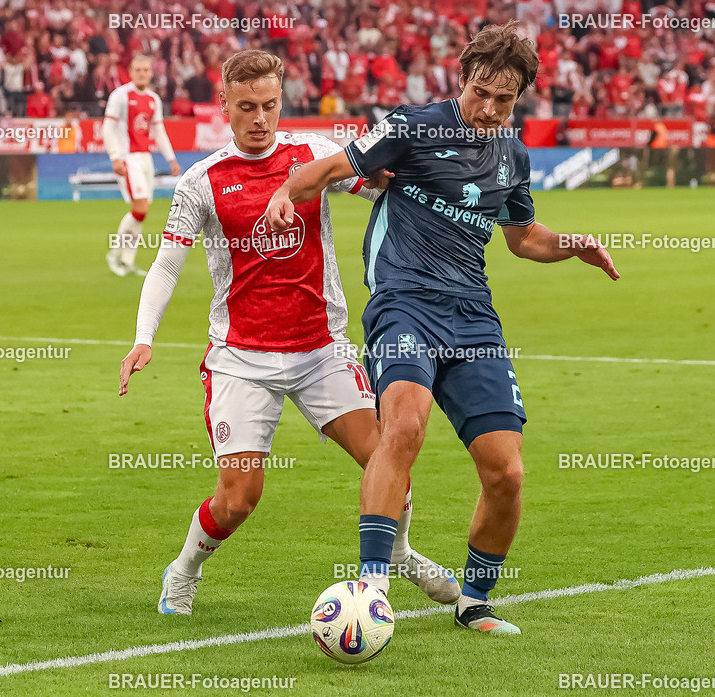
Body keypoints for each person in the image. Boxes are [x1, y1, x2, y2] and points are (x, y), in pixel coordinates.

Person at [265, 23, 619, 635]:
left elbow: (522, 238)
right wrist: (283, 195)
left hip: (472, 314)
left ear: (519, 100)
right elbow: (327, 169)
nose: (487, 109)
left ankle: (474, 600)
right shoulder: (412, 127)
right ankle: (372, 587)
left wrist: (571, 245)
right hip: (404, 302)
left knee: (506, 471)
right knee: (404, 424)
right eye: (480, 92)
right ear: (462, 80)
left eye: (502, 100)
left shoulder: (512, 155)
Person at [117, 50, 460, 616]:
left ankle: (399, 552)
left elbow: (378, 189)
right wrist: (143, 336)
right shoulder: (200, 182)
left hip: (321, 348)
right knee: (238, 501)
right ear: (224, 105)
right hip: (240, 357)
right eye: (247, 107)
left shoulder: (314, 154)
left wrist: (386, 178)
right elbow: (167, 265)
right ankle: (184, 569)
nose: (260, 118)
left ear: (282, 102)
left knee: (389, 453)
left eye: (270, 105)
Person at [103, 55, 181, 277]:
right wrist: (115, 156)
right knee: (140, 209)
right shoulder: (119, 96)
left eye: (146, 70)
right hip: (129, 158)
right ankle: (114, 255)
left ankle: (127, 261)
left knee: (141, 212)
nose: (142, 74)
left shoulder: (153, 99)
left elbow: (159, 130)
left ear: (151, 72)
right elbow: (108, 128)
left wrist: (170, 158)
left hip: (145, 158)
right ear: (130, 71)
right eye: (138, 70)